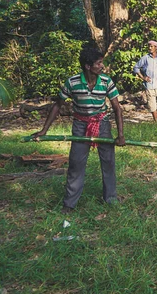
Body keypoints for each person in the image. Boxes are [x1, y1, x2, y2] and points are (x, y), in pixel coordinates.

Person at [32, 45, 126, 214]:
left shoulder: (106, 81)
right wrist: (44, 130)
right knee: (76, 164)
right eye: (99, 63)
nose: (102, 66)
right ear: (88, 66)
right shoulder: (72, 82)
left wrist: (120, 135)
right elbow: (57, 106)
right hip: (80, 126)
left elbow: (117, 109)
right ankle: (69, 204)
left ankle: (110, 198)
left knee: (109, 162)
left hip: (102, 124)